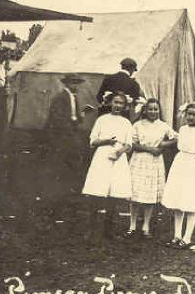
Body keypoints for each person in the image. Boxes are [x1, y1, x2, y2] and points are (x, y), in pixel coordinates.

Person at [81, 92, 134, 241]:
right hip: (102, 158)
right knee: (97, 193)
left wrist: (119, 152)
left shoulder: (126, 123)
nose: (117, 106)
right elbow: (92, 141)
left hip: (118, 159)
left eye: (121, 103)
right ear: (110, 103)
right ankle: (91, 230)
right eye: (115, 102)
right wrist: (106, 142)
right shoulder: (102, 120)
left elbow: (129, 145)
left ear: (124, 106)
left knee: (113, 195)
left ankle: (108, 230)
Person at [161, 103, 195, 248]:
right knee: (178, 200)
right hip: (179, 163)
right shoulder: (182, 129)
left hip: (192, 165)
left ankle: (187, 237)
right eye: (188, 114)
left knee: (190, 201)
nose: (191, 117)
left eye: (194, 114)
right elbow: (178, 143)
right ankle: (177, 235)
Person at [128, 99, 177, 238]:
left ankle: (146, 226)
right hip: (139, 160)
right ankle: (132, 225)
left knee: (149, 194)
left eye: (156, 109)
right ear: (145, 110)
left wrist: (162, 145)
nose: (153, 112)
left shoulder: (163, 126)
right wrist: (149, 148)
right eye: (150, 109)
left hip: (155, 161)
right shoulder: (138, 125)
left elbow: (176, 138)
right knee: (135, 194)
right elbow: (131, 143)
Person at [45, 74, 91, 201]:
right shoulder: (60, 98)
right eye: (73, 83)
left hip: (69, 134)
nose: (75, 86)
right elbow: (57, 119)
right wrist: (71, 127)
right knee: (61, 163)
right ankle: (58, 192)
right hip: (60, 136)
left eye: (77, 83)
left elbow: (72, 117)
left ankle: (67, 190)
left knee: (70, 162)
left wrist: (81, 116)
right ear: (67, 83)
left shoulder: (73, 98)